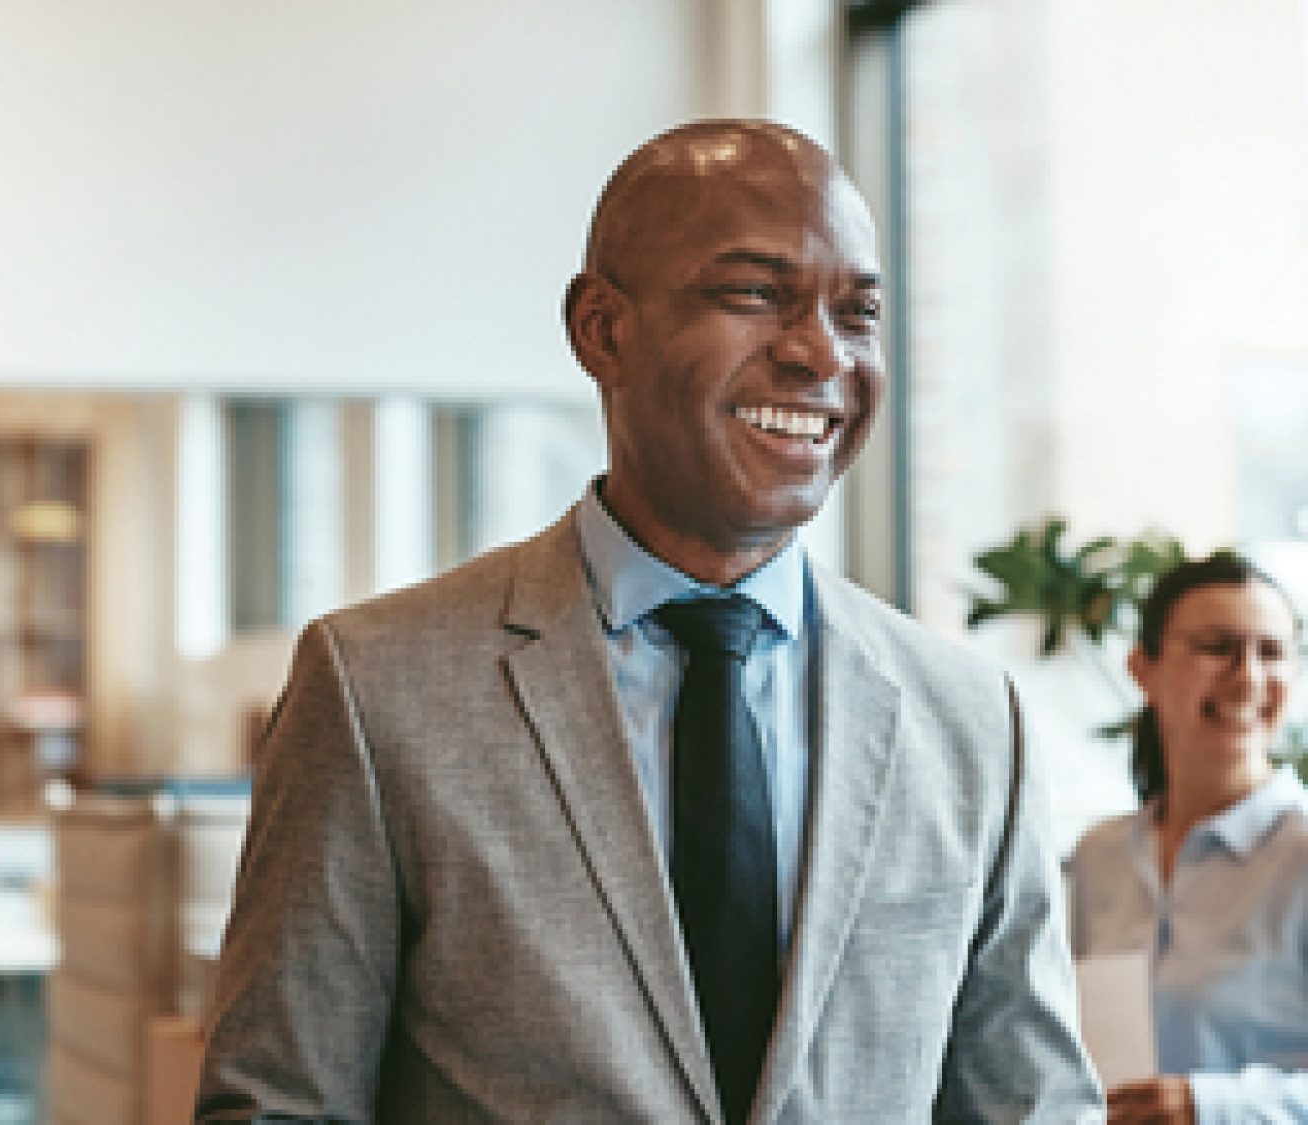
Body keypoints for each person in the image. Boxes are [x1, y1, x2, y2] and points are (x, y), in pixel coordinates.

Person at [196, 119, 1101, 1122]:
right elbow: (279, 1106)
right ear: (602, 330)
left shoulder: (969, 718)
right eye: (754, 294)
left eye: (856, 311)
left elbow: (1033, 1106)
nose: (817, 353)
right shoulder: (375, 690)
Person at [1068, 553, 1308, 1124]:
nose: (1248, 676)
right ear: (1142, 669)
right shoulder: (1097, 857)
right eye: (1217, 647)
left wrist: (1212, 1106)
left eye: (1271, 652)